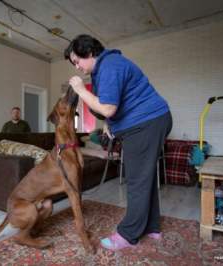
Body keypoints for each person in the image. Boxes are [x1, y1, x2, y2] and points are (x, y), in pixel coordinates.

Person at [65, 34, 172, 251]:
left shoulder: (110, 66)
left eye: (77, 61)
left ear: (90, 52)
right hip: (151, 121)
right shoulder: (104, 67)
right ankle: (152, 226)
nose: (76, 67)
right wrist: (109, 124)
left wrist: (79, 89)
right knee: (145, 178)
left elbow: (107, 107)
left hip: (146, 123)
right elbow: (111, 107)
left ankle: (128, 234)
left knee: (136, 180)